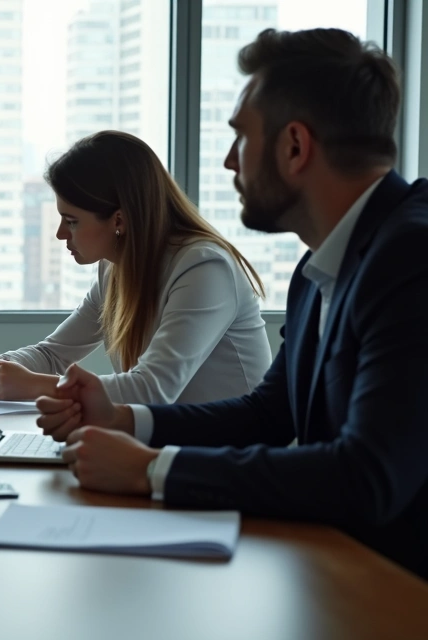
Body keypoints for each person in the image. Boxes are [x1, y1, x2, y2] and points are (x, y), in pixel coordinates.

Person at [36, 28, 428, 580]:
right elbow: (268, 415)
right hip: (340, 572)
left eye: (240, 137)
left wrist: (154, 469)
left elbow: (368, 475)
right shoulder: (320, 265)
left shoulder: (412, 255)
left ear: (295, 146)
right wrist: (124, 419)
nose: (227, 161)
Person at [0, 131, 271, 405]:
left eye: (71, 221)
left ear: (119, 219)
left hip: (228, 462)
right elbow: (53, 354)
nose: (60, 234)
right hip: (165, 446)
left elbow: (152, 389)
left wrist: (40, 386)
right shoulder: (114, 269)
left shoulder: (204, 268)